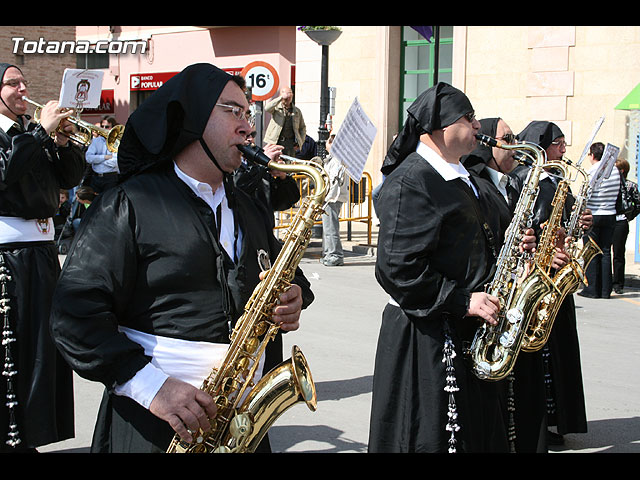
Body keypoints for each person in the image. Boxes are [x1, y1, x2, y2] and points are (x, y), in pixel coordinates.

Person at [49, 63, 315, 453]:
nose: (248, 126)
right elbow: (74, 315)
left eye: (248, 114)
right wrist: (151, 387)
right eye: (233, 111)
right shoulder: (129, 203)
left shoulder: (249, 205)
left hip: (238, 425)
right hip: (153, 423)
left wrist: (295, 296)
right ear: (192, 119)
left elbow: (289, 275)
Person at [369, 83, 512, 453]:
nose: (477, 124)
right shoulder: (413, 180)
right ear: (439, 125)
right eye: (469, 116)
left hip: (466, 330)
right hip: (428, 339)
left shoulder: (464, 176)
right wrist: (462, 300)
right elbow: (397, 269)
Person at [0, 63, 84, 452]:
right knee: (12, 351)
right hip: (8, 259)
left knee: (42, 351)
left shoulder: (29, 135)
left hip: (42, 254)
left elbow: (69, 178)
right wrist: (41, 132)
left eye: (23, 82)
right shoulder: (20, 136)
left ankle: (30, 435)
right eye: (12, 83)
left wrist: (64, 143)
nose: (22, 88)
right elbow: (7, 175)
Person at [462, 118, 547, 452]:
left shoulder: (511, 181)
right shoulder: (476, 180)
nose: (514, 143)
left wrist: (531, 242)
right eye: (506, 138)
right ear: (487, 145)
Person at [514, 120, 589, 446]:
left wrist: (580, 222)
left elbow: (564, 227)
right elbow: (521, 230)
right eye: (558, 143)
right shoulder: (521, 181)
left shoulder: (560, 183)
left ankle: (559, 420)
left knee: (560, 352)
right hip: (536, 276)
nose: (563, 150)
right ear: (541, 145)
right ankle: (538, 425)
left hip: (558, 277)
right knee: (539, 355)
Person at [578, 142, 621, 299]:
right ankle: (605, 290)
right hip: (610, 214)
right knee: (605, 252)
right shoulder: (615, 170)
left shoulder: (593, 171)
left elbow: (585, 193)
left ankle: (591, 289)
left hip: (594, 214)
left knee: (591, 252)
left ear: (592, 155)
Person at [319, 134, 348, 267]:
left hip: (332, 198)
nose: (326, 148)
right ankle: (328, 253)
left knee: (331, 227)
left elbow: (334, 181)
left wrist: (326, 197)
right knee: (328, 227)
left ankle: (334, 254)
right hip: (331, 197)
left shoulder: (337, 160)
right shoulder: (335, 159)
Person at [612, 158, 636, 294]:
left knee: (618, 253)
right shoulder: (610, 184)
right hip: (608, 219)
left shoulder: (630, 186)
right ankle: (605, 282)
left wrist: (629, 216)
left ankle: (618, 283)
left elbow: (637, 203)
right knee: (605, 252)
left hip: (621, 220)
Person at [264, 87, 306, 157]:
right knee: (275, 162)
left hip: (290, 143)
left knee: (289, 164)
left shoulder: (297, 111)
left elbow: (302, 128)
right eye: (285, 94)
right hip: (276, 141)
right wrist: (280, 98)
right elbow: (267, 108)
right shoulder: (276, 108)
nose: (287, 98)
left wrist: (300, 142)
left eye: (289, 94)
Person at [84, 115, 119, 193]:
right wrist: (105, 157)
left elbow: (116, 161)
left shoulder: (118, 141)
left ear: (113, 128)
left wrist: (97, 161)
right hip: (96, 177)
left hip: (111, 177)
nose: (103, 128)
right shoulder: (96, 141)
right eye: (102, 126)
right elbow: (88, 158)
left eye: (107, 126)